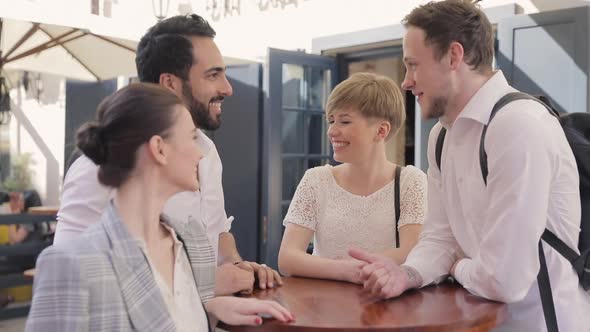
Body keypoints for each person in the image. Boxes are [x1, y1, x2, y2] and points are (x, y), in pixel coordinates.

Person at [350, 1, 590, 331]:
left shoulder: (518, 125)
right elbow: (439, 237)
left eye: (413, 65)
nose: (406, 81)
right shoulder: (440, 137)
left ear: (453, 56)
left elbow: (504, 280)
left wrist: (457, 265)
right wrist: (407, 273)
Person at [25, 84, 293, 331]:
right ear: (159, 149)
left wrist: (209, 309)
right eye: (191, 138)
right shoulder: (70, 264)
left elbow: (166, 309)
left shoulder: (190, 242)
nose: (201, 153)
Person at [54, 14, 281, 295]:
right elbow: (68, 275)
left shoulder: (207, 152)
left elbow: (217, 231)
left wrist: (235, 266)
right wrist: (209, 287)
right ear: (170, 83)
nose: (228, 88)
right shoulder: (100, 164)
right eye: (213, 75)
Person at [278, 72, 426, 284]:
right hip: (322, 308)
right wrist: (345, 271)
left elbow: (412, 252)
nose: (331, 131)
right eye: (331, 120)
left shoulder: (410, 182)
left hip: (384, 306)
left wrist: (343, 268)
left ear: (381, 130)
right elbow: (287, 259)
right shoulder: (316, 180)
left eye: (344, 121)